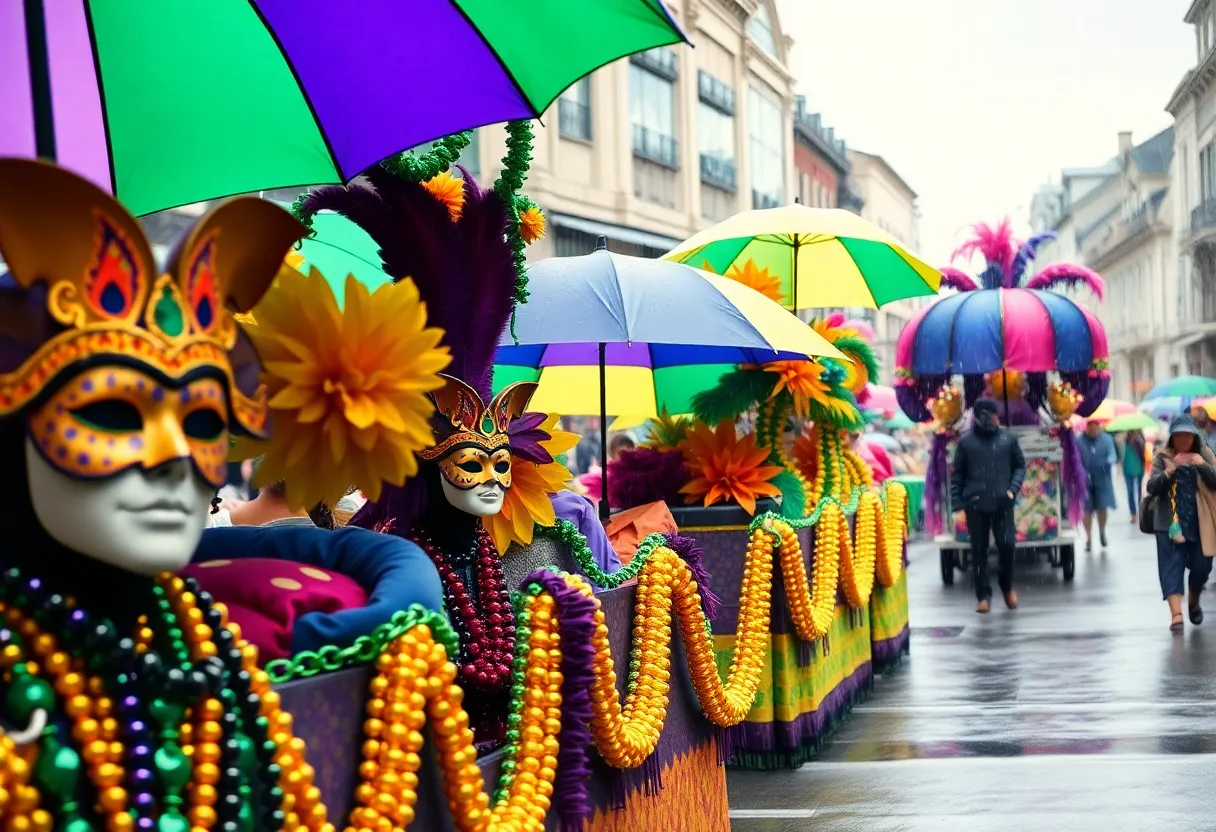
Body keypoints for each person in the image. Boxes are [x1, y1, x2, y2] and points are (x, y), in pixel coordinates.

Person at [950, 398, 1026, 613]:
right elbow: (958, 477)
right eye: (983, 414)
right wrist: (958, 507)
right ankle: (983, 595)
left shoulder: (1008, 440)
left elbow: (1020, 466)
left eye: (991, 414)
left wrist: (1012, 488)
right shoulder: (966, 443)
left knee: (1007, 545)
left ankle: (1007, 587)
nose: (988, 418)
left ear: (997, 415)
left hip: (1003, 503)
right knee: (979, 551)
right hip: (975, 504)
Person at [1145, 414, 1216, 633]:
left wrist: (1202, 465)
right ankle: (1176, 614)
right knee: (1170, 566)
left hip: (1198, 521)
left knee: (1202, 565)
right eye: (1179, 436)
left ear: (1194, 437)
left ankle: (1193, 596)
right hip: (1168, 523)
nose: (1183, 440)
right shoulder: (1162, 456)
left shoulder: (1204, 453)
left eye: (1187, 436)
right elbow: (1151, 488)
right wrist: (1168, 472)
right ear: (1172, 438)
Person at [1077, 419, 1118, 551]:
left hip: (1102, 478)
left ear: (1099, 426)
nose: (1093, 428)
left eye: (1095, 425)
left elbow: (1113, 454)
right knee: (1086, 509)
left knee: (1102, 507)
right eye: (1090, 425)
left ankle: (1102, 532)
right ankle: (1088, 538)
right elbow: (1074, 457)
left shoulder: (1107, 439)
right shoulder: (1079, 440)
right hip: (1085, 479)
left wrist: (1109, 461)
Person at [1121, 428, 1147, 522]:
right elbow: (1121, 455)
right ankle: (1133, 513)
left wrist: (1139, 441)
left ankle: (1141, 511)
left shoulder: (1141, 441)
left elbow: (1144, 455)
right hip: (1127, 471)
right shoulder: (1124, 441)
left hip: (1139, 469)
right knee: (1130, 491)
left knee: (1140, 492)